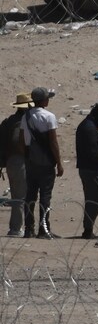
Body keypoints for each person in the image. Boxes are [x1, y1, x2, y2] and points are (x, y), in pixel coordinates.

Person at [20, 87, 64, 239]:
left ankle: (28, 229)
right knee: (45, 197)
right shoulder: (49, 116)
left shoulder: (25, 117)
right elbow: (53, 142)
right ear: (43, 100)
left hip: (31, 161)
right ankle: (44, 229)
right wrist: (59, 163)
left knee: (30, 196)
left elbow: (22, 140)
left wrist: (27, 157)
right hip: (46, 162)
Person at [73, 102, 98, 238]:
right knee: (93, 201)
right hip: (91, 169)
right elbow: (92, 151)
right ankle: (88, 230)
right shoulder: (88, 128)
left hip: (89, 168)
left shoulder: (88, 125)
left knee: (92, 200)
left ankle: (88, 228)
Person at [3, 93, 31, 237]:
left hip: (10, 162)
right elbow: (16, 142)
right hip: (19, 161)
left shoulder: (9, 121)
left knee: (17, 195)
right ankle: (15, 228)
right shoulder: (21, 122)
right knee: (20, 197)